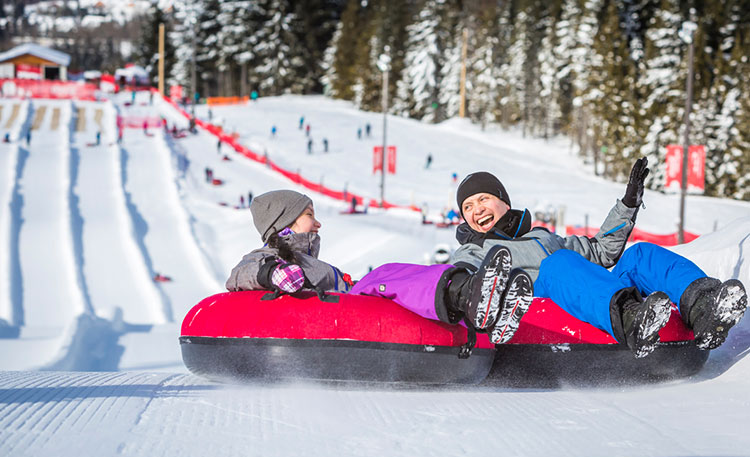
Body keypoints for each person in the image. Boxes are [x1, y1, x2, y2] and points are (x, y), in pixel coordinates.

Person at [451, 159, 747, 358]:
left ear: (504, 202)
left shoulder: (542, 237)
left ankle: (705, 309)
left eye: (483, 199)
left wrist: (629, 203)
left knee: (639, 255)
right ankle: (633, 321)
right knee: (558, 265)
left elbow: (601, 252)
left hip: (591, 297)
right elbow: (466, 285)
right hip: (540, 312)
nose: (476, 209)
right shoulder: (474, 251)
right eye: (468, 206)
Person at [225, 190, 532, 345]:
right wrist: (270, 272)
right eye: (309, 215)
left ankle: (480, 303)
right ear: (284, 224)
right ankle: (467, 295)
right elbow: (241, 272)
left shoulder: (315, 264)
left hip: (352, 312)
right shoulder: (272, 258)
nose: (318, 223)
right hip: (336, 324)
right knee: (382, 275)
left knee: (393, 277)